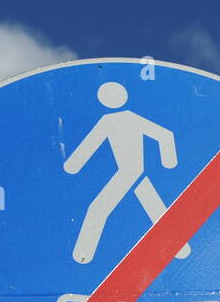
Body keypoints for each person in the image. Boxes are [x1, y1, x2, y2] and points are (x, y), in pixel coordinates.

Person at [63, 82, 188, 264]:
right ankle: (180, 248)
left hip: (129, 172)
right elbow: (89, 145)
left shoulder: (121, 119)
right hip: (135, 172)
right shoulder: (114, 120)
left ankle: (83, 256)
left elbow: (164, 135)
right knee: (155, 208)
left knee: (98, 208)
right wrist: (73, 165)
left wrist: (169, 161)